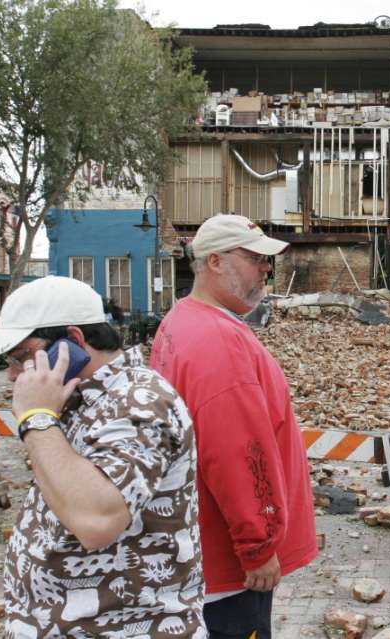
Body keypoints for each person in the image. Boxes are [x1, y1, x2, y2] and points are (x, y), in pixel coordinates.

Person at [0, 276, 205, 638]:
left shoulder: (139, 402)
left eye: (21, 358)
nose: (13, 375)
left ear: (74, 342)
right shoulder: (80, 396)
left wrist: (36, 420)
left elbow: (96, 520)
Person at [151, 214, 317, 639]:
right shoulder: (218, 340)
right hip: (228, 571)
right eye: (254, 258)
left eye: (267, 260)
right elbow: (236, 453)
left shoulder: (180, 321)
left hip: (198, 553)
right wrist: (258, 546)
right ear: (215, 262)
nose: (266, 269)